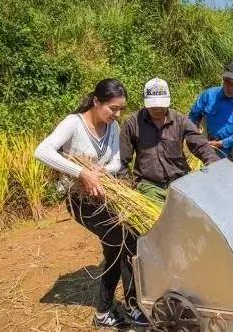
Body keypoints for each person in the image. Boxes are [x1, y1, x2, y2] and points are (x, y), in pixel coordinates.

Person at [34, 79, 148, 328]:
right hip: (79, 199)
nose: (117, 114)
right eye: (113, 108)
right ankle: (110, 310)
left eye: (121, 109)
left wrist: (102, 171)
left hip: (105, 194)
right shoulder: (74, 123)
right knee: (118, 243)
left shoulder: (113, 127)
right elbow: (42, 151)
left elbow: (117, 161)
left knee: (131, 239)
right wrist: (81, 173)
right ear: (96, 102)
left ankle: (130, 305)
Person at [120, 77, 219, 205]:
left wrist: (213, 162)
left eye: (161, 105)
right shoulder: (132, 123)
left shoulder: (180, 120)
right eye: (153, 105)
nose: (157, 109)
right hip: (149, 185)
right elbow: (122, 160)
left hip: (180, 182)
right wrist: (127, 187)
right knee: (159, 218)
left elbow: (200, 145)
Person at [188, 61, 233, 169]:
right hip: (209, 153)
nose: (231, 87)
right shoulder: (209, 95)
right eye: (228, 82)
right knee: (210, 184)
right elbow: (193, 117)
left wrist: (221, 143)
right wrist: (195, 137)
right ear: (223, 79)